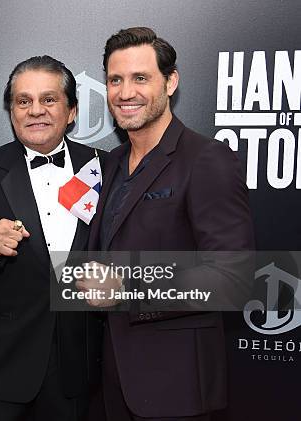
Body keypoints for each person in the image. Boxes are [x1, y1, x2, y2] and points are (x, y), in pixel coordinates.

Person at [83, 27, 254, 420]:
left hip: (177, 389)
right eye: (115, 79)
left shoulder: (206, 159)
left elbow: (234, 279)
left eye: (140, 78)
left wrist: (126, 287)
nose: (126, 93)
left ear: (170, 82)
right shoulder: (109, 164)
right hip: (111, 384)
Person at [0, 55, 107, 421]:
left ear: (72, 110)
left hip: (75, 366)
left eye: (48, 99)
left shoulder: (106, 167)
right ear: (11, 111)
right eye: (23, 101)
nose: (35, 111)